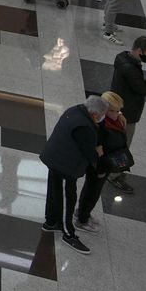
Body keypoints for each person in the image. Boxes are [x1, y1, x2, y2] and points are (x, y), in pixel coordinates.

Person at [40, 94, 109, 253]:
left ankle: (50, 222)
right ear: (94, 114)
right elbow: (89, 152)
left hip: (55, 158)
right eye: (101, 115)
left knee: (55, 192)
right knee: (67, 198)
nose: (102, 118)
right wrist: (97, 153)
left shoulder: (76, 110)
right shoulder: (84, 126)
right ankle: (68, 233)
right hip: (65, 166)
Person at [108, 36, 146, 190]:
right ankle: (113, 175)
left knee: (118, 142)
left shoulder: (123, 58)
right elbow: (143, 90)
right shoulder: (130, 68)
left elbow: (135, 84)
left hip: (121, 107)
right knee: (123, 144)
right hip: (127, 113)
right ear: (139, 51)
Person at [74, 91, 130, 233]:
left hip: (108, 162)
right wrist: (99, 170)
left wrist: (120, 116)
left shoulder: (115, 119)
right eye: (113, 111)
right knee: (92, 192)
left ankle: (82, 212)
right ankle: (82, 219)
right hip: (100, 165)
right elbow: (97, 151)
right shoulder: (101, 126)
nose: (117, 114)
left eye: (119, 111)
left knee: (92, 190)